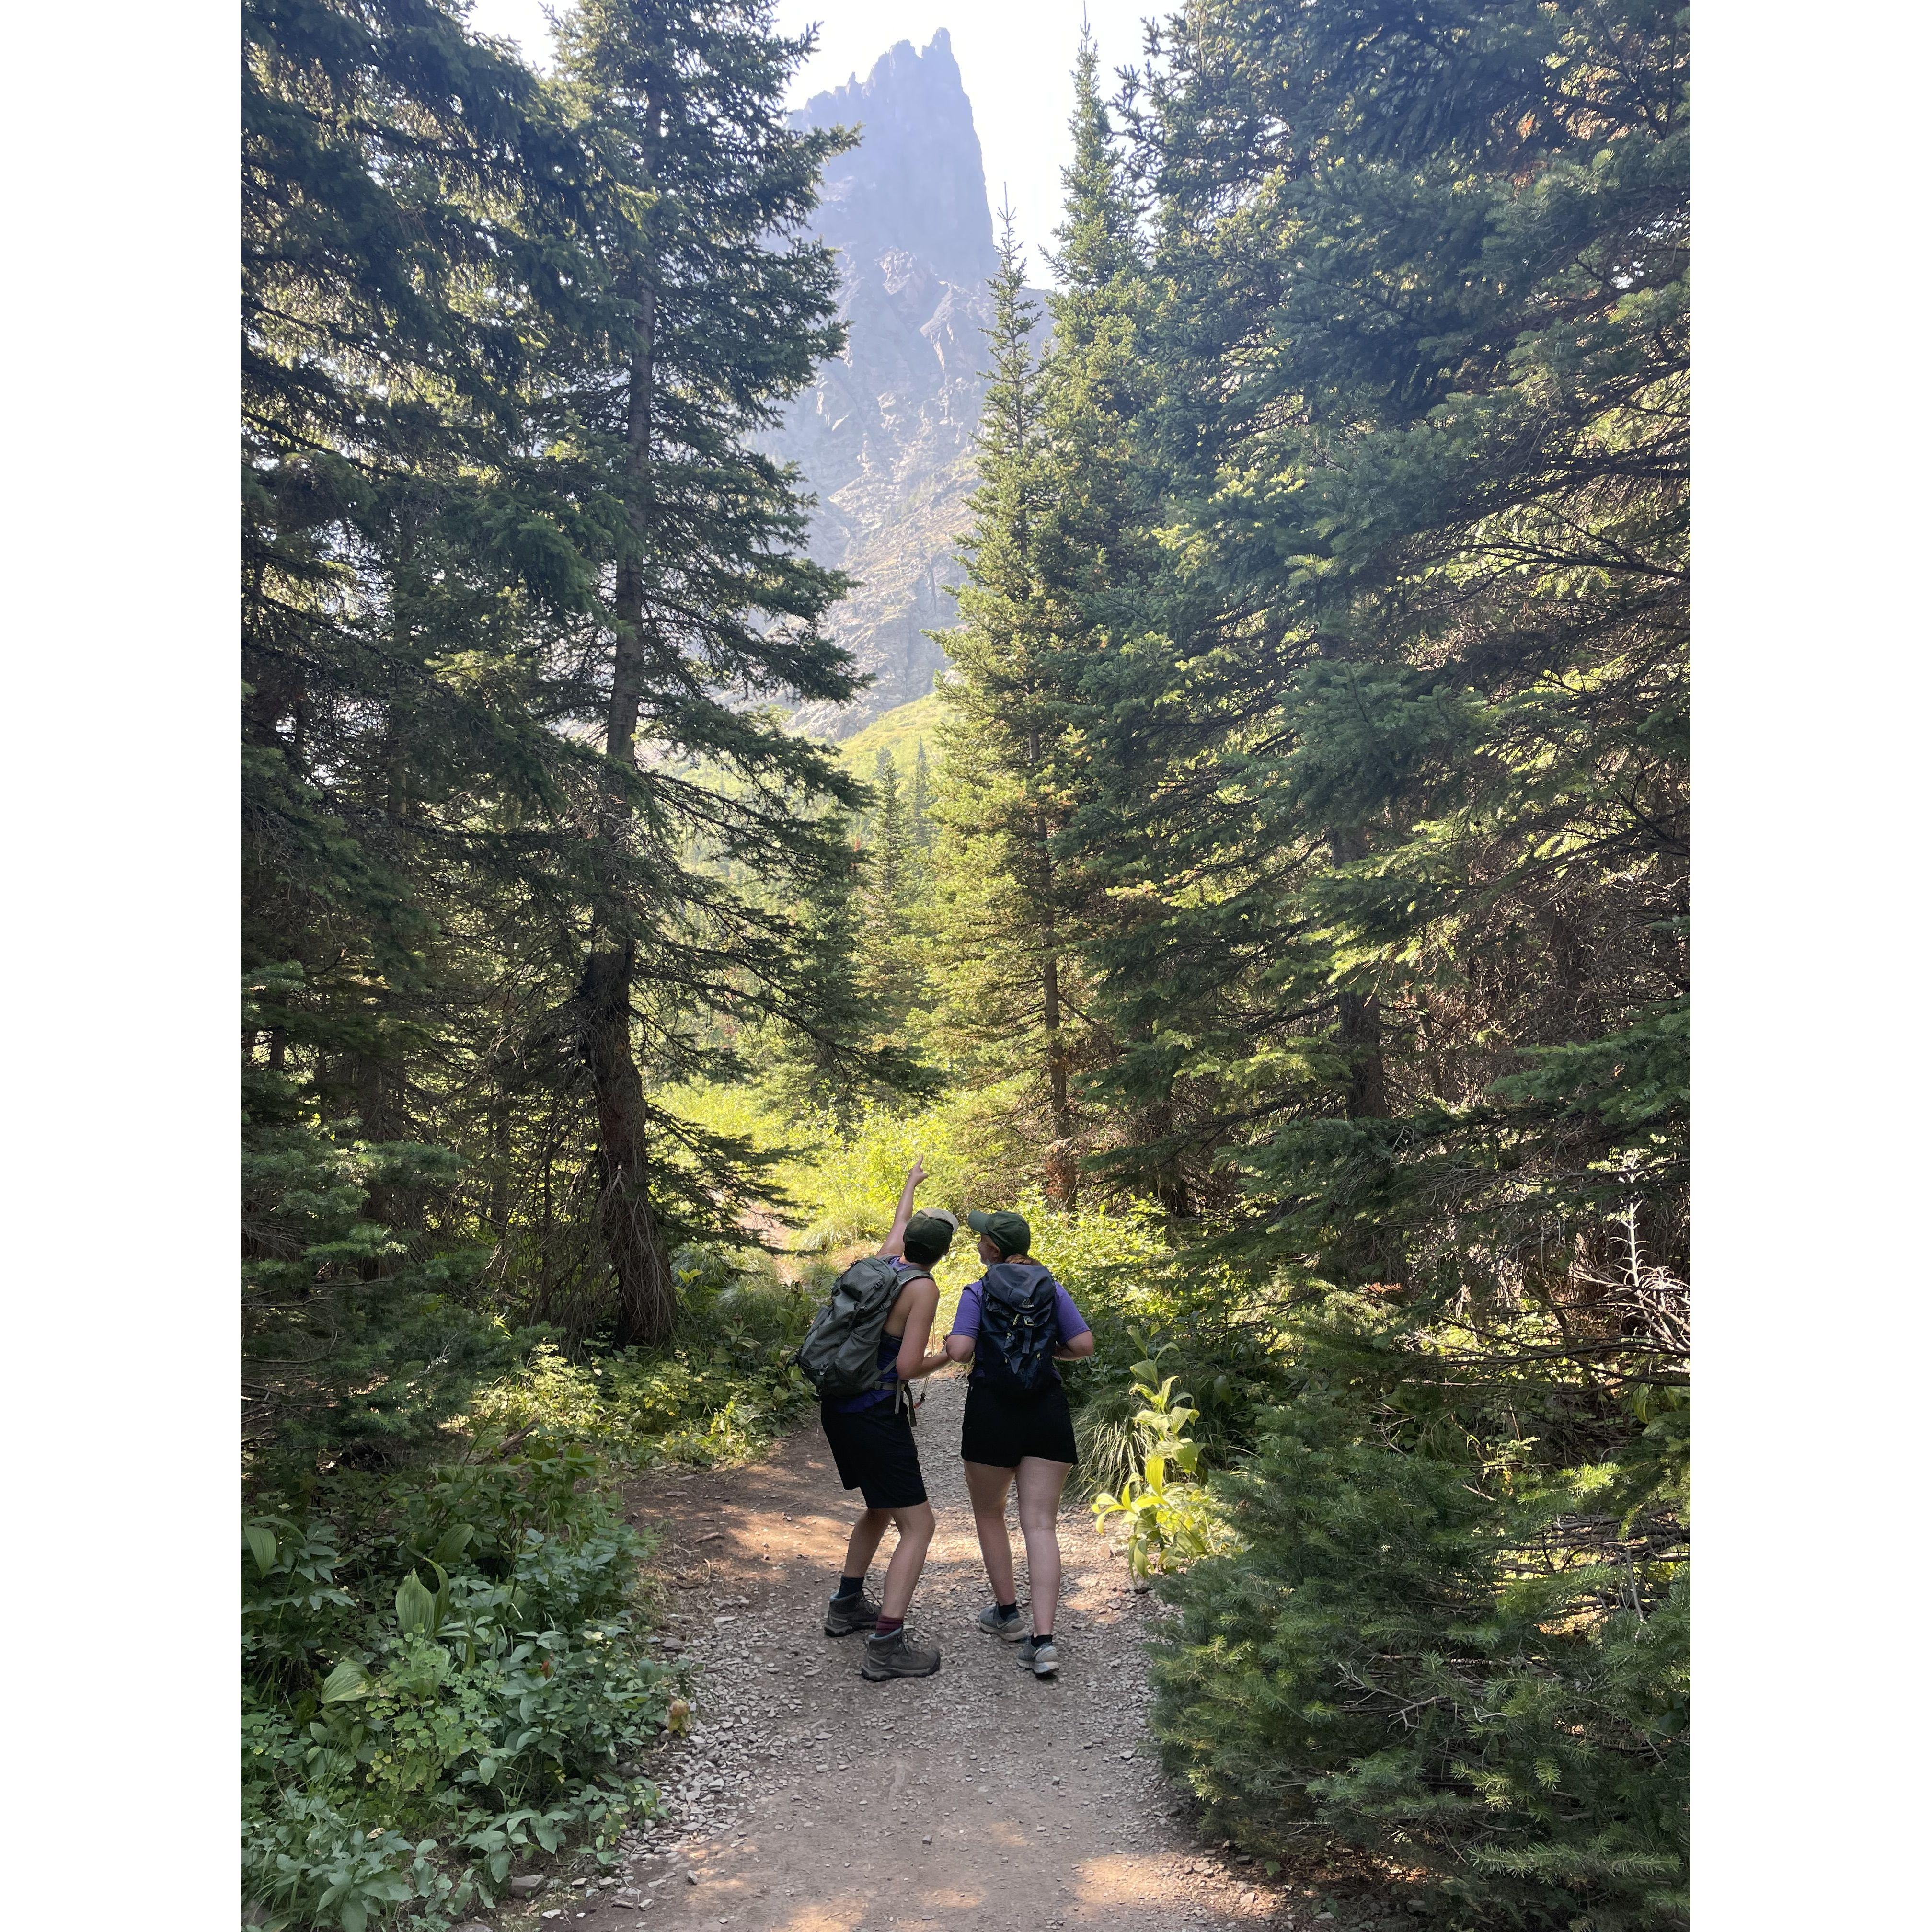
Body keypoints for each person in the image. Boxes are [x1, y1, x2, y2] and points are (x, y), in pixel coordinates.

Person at [817, 1159, 956, 1680]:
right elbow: (907, 1367)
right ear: (943, 1254)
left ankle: (847, 1606)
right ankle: (886, 1646)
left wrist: (911, 1183)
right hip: (875, 1412)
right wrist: (949, 1357)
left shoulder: (884, 1262)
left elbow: (899, 1223)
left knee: (879, 1507)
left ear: (909, 1242)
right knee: (919, 1525)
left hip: (839, 1405)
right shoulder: (922, 1288)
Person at [943, 1207, 1094, 1678]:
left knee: (991, 1514)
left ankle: (1007, 1614)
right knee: (1042, 1526)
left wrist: (958, 1345)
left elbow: (960, 1350)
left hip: (991, 1412)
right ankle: (1043, 1642)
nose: (977, 1244)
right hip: (1046, 1411)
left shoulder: (978, 1290)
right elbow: (1083, 1345)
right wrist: (1046, 1352)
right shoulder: (1053, 1288)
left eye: (980, 1239)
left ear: (991, 1250)